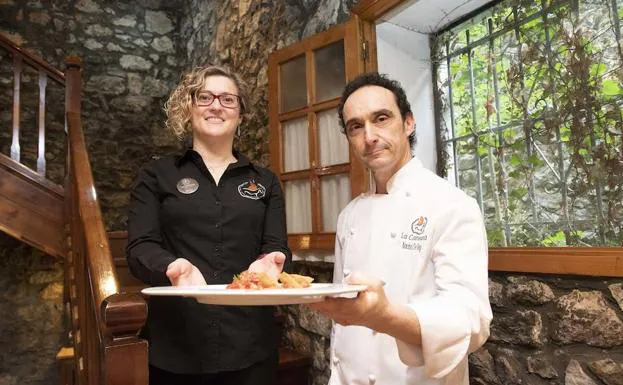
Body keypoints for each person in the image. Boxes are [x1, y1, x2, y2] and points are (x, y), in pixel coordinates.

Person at [310, 72, 492, 385]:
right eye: (356, 126)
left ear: (408, 123)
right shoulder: (349, 216)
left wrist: (382, 317)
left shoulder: (451, 204)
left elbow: (471, 320)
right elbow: (345, 324)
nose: (369, 136)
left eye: (381, 118)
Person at [126, 64, 290, 385]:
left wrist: (271, 264)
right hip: (177, 349)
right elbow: (139, 248)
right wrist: (172, 266)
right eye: (205, 97)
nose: (216, 105)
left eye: (228, 99)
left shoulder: (266, 182)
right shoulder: (156, 175)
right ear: (189, 108)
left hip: (252, 348)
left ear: (240, 115)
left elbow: (276, 248)